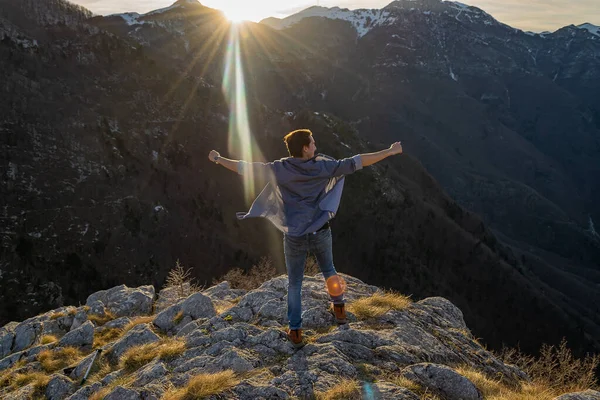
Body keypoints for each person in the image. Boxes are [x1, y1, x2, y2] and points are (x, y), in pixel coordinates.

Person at [208, 129, 403, 348]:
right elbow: (358, 161)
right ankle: (339, 309)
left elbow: (244, 168)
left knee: (295, 283)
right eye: (312, 143)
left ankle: (296, 331)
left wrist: (217, 158)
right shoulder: (323, 167)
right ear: (305, 148)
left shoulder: (278, 169)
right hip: (320, 230)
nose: (315, 146)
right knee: (328, 270)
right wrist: (389, 151)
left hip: (294, 236)